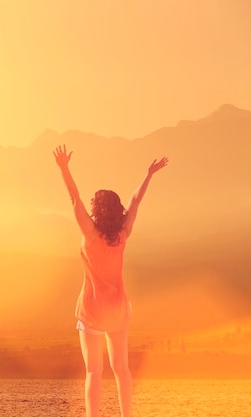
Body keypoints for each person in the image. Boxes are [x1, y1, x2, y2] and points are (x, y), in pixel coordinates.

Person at [53, 144, 168, 417]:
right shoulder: (123, 233)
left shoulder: (90, 234)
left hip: (93, 310)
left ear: (97, 209)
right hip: (117, 309)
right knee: (122, 369)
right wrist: (149, 174)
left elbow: (73, 199)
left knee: (94, 370)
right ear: (117, 211)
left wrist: (64, 168)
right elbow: (135, 200)